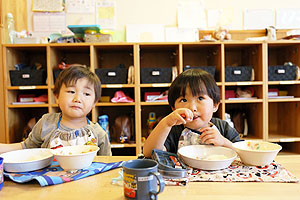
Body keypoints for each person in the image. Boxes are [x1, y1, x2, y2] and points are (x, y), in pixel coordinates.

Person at [0, 66, 111, 155]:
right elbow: (26, 147)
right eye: (71, 92)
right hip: (52, 182)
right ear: (56, 96)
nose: (77, 99)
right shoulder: (46, 123)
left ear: (94, 103)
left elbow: (107, 166)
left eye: (86, 94)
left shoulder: (99, 134)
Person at [143, 69, 241, 158]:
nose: (192, 108)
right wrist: (166, 123)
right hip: (183, 177)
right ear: (174, 108)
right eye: (184, 100)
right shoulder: (173, 130)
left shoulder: (223, 127)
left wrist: (224, 142)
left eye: (200, 98)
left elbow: (243, 153)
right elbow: (149, 153)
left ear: (215, 105)